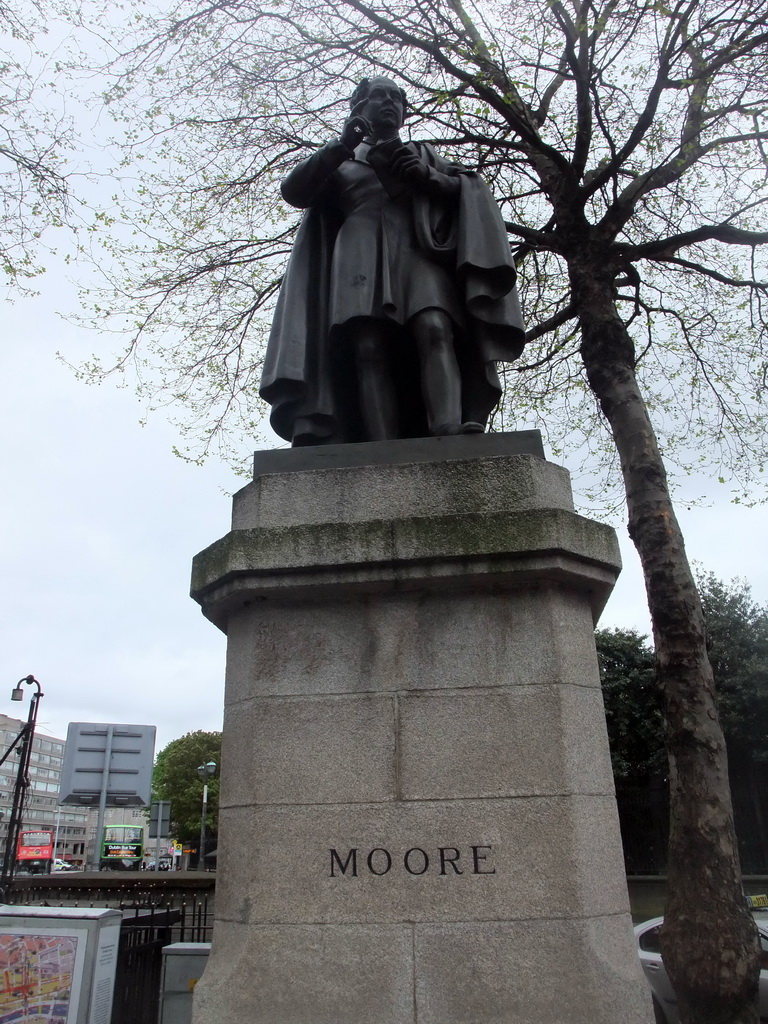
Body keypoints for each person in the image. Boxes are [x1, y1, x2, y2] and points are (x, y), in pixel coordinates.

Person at [260, 76, 526, 445]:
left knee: (435, 326)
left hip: (417, 249)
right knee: (368, 347)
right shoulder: (341, 157)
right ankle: (381, 444)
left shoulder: (422, 152)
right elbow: (295, 191)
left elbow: (468, 190)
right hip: (358, 251)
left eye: (396, 99)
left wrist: (427, 177)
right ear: (359, 107)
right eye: (378, 96)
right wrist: (340, 145)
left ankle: (447, 427)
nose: (389, 103)